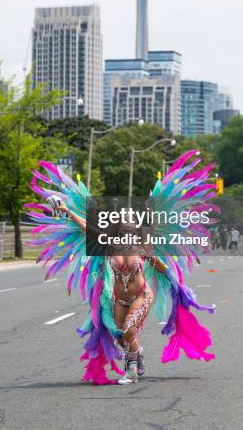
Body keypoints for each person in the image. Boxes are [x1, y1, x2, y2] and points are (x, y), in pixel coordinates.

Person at [26, 150, 216, 385]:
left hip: (140, 295)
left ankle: (131, 371)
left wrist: (179, 289)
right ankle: (137, 356)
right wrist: (66, 211)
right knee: (122, 337)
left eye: (131, 225)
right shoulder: (108, 244)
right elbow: (87, 227)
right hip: (117, 299)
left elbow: (161, 264)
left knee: (128, 328)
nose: (128, 227)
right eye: (124, 224)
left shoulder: (144, 246)